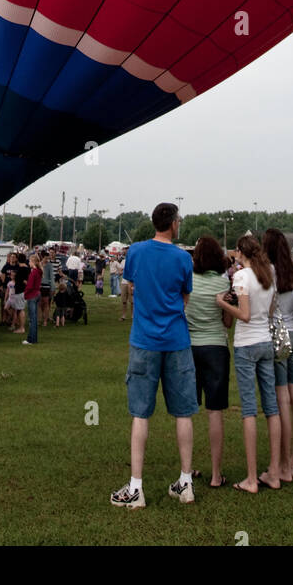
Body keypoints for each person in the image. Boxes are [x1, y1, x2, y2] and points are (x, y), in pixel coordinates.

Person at [110, 203, 197, 509]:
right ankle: (186, 481)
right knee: (183, 412)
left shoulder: (136, 251)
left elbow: (133, 286)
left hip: (145, 340)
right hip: (176, 340)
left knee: (140, 413)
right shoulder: (183, 258)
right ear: (173, 223)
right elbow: (185, 296)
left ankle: (136, 487)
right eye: (179, 221)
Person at [217, 234, 281, 494]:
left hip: (246, 345)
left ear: (241, 253)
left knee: (249, 410)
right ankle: (274, 472)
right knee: (272, 407)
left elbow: (243, 315)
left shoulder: (242, 276)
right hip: (265, 342)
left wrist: (222, 303)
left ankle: (252, 478)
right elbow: (268, 312)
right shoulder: (269, 274)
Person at [263, 227, 293, 482]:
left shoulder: (269, 272)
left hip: (279, 336)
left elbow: (270, 309)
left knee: (282, 400)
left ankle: (282, 465)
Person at [185, 235, 231, 488]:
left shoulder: (189, 282)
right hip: (216, 347)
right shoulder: (223, 282)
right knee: (215, 412)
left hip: (190, 348)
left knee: (188, 411)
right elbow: (227, 321)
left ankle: (187, 468)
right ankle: (216, 474)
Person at [22, 254, 42, 345]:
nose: (28, 263)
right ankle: (33, 338)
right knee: (34, 318)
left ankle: (31, 339)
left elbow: (30, 285)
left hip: (32, 295)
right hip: (37, 294)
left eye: (29, 261)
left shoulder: (33, 272)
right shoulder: (39, 271)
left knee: (32, 319)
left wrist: (25, 293)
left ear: (33, 262)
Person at [11, 253, 30, 334]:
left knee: (20, 309)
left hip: (20, 290)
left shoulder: (21, 269)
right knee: (19, 309)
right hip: (22, 290)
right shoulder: (27, 268)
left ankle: (22, 328)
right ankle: (20, 326)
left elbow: (24, 280)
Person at [39, 250, 56, 327]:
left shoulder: (49, 265)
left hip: (46, 286)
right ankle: (42, 318)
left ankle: (45, 321)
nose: (47, 260)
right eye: (46, 258)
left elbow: (52, 278)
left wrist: (53, 288)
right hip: (39, 286)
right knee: (40, 304)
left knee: (46, 303)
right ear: (42, 257)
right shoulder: (39, 265)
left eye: (48, 258)